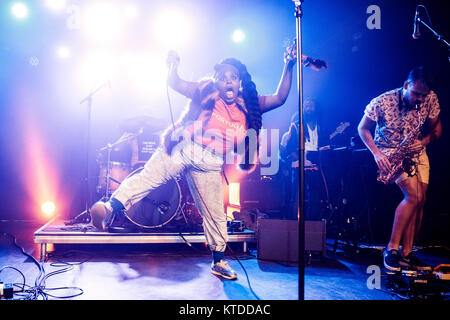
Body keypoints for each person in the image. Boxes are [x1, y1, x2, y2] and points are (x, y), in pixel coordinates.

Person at [89, 45, 298, 280]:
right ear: (216, 81)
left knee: (216, 213)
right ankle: (109, 209)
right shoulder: (206, 90)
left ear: (240, 82)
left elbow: (280, 97)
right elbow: (176, 83)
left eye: (233, 77)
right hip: (184, 146)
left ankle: (218, 261)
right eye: (223, 77)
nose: (228, 82)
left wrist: (288, 65)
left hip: (210, 162)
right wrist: (173, 66)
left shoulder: (249, 104)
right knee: (149, 177)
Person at [357, 66, 442, 272]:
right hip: (390, 152)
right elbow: (362, 128)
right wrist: (377, 153)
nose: (420, 100)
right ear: (406, 85)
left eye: (424, 96)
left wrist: (424, 141)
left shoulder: (429, 98)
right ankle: (391, 249)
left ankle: (407, 254)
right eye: (416, 94)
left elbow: (437, 130)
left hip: (417, 151)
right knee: (413, 196)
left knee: (420, 201)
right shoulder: (383, 101)